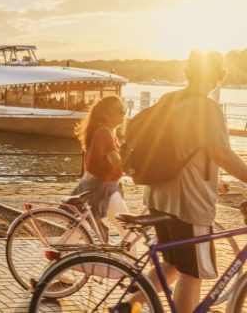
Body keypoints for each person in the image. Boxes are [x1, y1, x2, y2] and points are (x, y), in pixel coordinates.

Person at [115, 50, 247, 313]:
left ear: (186, 72)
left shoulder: (169, 99)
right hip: (188, 203)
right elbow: (219, 152)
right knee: (192, 273)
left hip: (158, 196)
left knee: (172, 265)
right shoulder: (206, 108)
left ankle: (128, 307)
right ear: (220, 77)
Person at [72, 96, 132, 245]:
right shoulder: (104, 133)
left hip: (99, 186)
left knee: (80, 228)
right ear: (106, 115)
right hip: (101, 188)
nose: (124, 114)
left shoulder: (105, 132)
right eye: (120, 110)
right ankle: (129, 268)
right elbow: (116, 163)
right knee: (129, 233)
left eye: (124, 110)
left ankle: (56, 260)